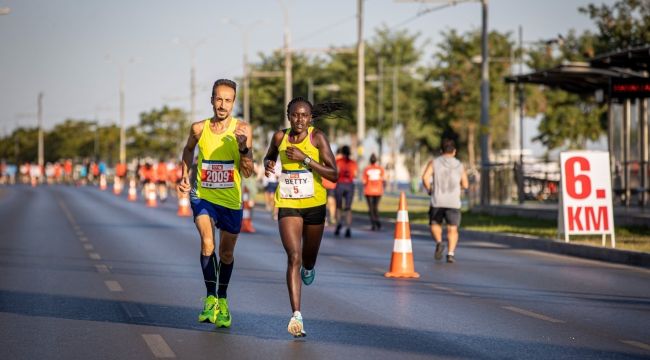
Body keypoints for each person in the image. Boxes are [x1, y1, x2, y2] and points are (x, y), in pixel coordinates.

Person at [178, 79, 254, 328]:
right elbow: (188, 150)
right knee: (208, 243)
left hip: (231, 199)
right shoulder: (199, 129)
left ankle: (222, 299)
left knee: (227, 252)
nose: (222, 105)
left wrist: (244, 149)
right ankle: (210, 297)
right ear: (211, 100)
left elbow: (249, 171)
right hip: (203, 195)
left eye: (228, 100)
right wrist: (183, 174)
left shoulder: (242, 129)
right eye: (218, 99)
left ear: (234, 102)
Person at [263, 97, 337, 337]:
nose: (300, 120)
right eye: (295, 115)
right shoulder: (279, 137)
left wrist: (305, 159)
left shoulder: (317, 138)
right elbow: (270, 155)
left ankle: (309, 266)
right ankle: (297, 316)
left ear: (310, 117)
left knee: (308, 258)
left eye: (304, 115)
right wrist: (268, 163)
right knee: (293, 256)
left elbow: (334, 174)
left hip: (315, 204)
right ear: (288, 115)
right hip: (288, 203)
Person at [421, 138, 469, 263]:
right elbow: (465, 184)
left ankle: (439, 242)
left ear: (441, 151)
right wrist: (458, 189)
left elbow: (425, 177)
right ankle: (450, 253)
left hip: (438, 200)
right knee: (452, 229)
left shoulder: (434, 163)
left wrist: (430, 189)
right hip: (454, 202)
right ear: (454, 151)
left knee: (434, 224)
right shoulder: (459, 165)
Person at [334, 145, 357, 237]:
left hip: (340, 184)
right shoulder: (353, 163)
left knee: (338, 207)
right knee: (348, 208)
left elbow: (336, 172)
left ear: (342, 152)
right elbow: (355, 174)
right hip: (350, 185)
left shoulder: (338, 161)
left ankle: (338, 223)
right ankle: (348, 228)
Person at [362, 153, 385, 231]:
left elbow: (364, 181)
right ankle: (377, 220)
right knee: (375, 207)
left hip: (369, 191)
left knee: (371, 208)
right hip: (378, 191)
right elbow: (383, 179)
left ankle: (373, 223)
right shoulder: (380, 169)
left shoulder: (367, 169)